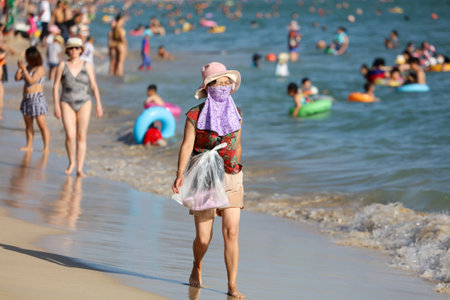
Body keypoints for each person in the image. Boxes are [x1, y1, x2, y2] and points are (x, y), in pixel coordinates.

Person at [172, 62, 245, 298]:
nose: (223, 87)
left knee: (231, 232)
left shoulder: (238, 114)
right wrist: (180, 173)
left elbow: (238, 145)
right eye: (218, 83)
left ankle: (232, 285)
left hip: (232, 175)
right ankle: (197, 264)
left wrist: (236, 166)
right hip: (204, 177)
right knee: (203, 238)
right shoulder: (194, 114)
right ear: (208, 87)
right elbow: (186, 146)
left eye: (227, 83)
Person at [53, 37, 103, 177]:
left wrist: (98, 103)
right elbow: (56, 85)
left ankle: (80, 168)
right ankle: (71, 163)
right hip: (66, 102)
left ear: (81, 50)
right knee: (70, 135)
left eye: (77, 48)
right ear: (67, 50)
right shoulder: (62, 65)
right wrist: (56, 104)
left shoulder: (87, 65)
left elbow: (93, 85)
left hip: (84, 102)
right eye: (71, 48)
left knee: (81, 136)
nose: (74, 50)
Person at [14, 46, 50, 152]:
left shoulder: (40, 69)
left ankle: (46, 147)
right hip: (27, 98)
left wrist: (24, 70)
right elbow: (17, 78)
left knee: (41, 124)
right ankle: (29, 145)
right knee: (28, 125)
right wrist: (20, 68)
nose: (26, 60)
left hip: (37, 99)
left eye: (28, 58)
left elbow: (31, 81)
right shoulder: (27, 67)